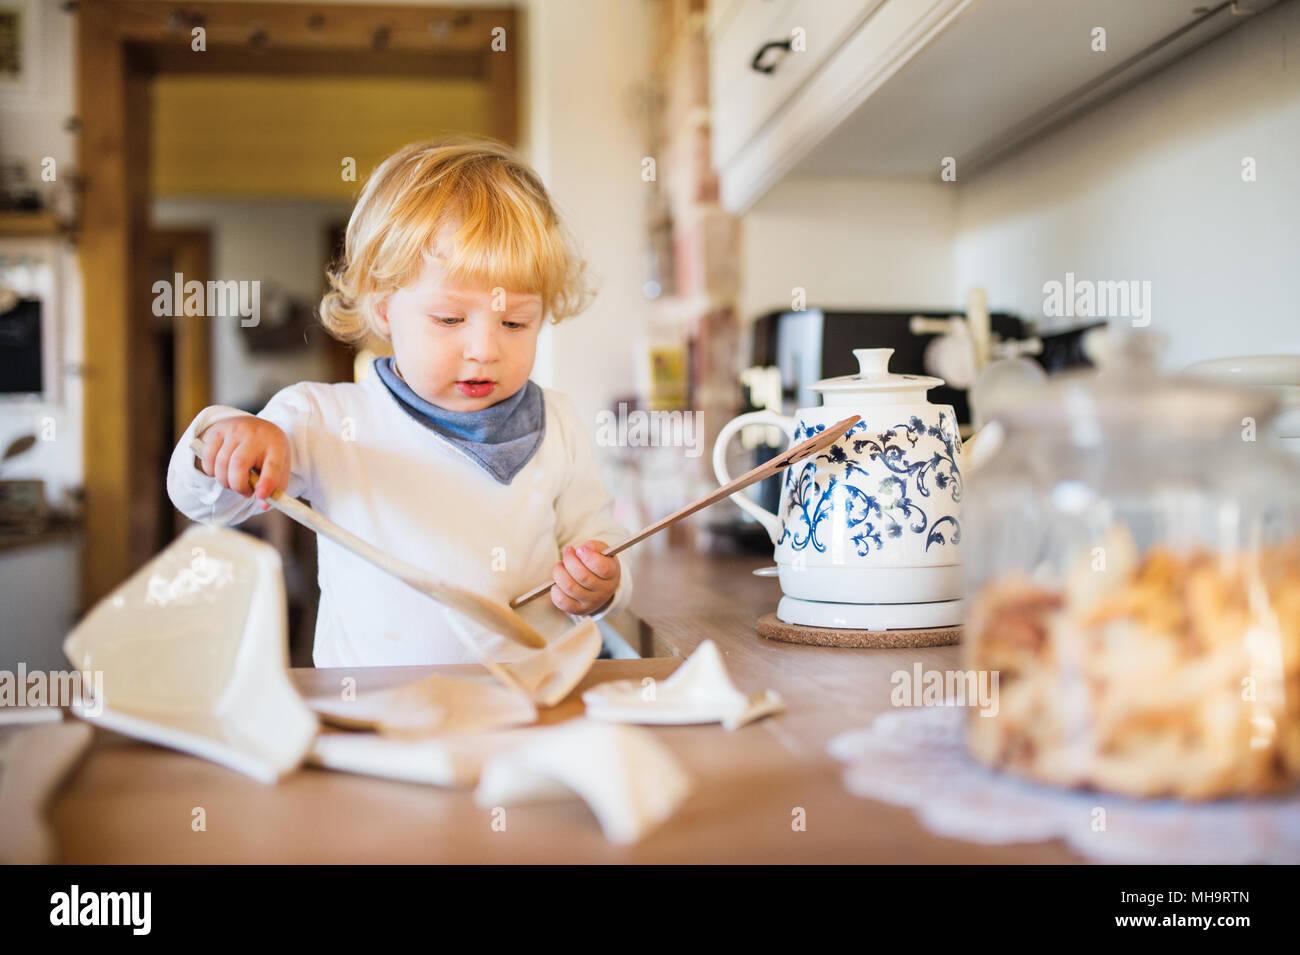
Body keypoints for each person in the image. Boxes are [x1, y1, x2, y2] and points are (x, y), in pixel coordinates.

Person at [166, 138, 631, 666]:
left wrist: (603, 580)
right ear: (385, 311)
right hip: (378, 715)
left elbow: (598, 534)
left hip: (534, 707)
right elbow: (208, 503)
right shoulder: (323, 420)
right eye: (450, 319)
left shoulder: (559, 424)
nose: (485, 350)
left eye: (515, 322)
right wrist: (223, 441)